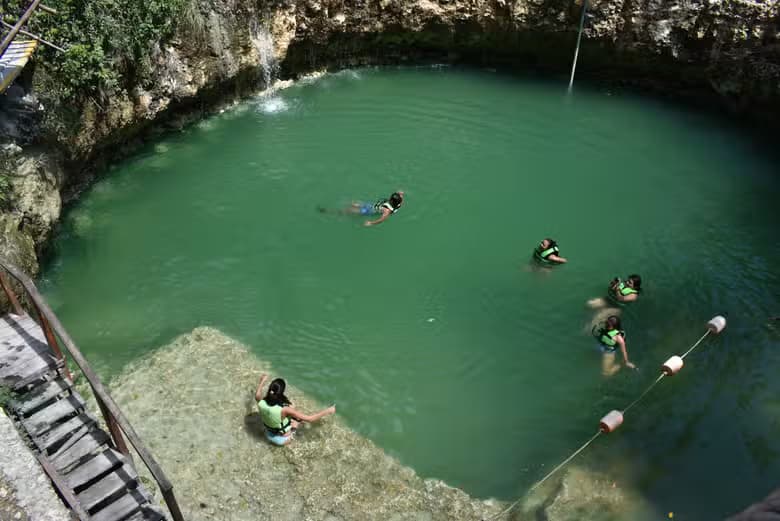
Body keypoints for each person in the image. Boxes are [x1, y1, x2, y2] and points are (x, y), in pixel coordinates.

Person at [254, 374, 336, 446]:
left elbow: (258, 393)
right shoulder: (285, 410)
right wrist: (328, 411)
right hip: (282, 440)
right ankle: (293, 430)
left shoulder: (260, 401)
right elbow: (310, 419)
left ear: (270, 389)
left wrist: (262, 381)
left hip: (268, 434)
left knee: (290, 409)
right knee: (297, 421)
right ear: (281, 393)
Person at [318, 191, 404, 227]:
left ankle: (330, 211)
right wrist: (400, 192)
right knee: (354, 203)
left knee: (349, 211)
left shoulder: (387, 211)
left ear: (392, 201)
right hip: (371, 205)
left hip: (370, 210)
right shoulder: (400, 201)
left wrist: (370, 223)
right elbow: (400, 195)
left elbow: (382, 219)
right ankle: (342, 207)